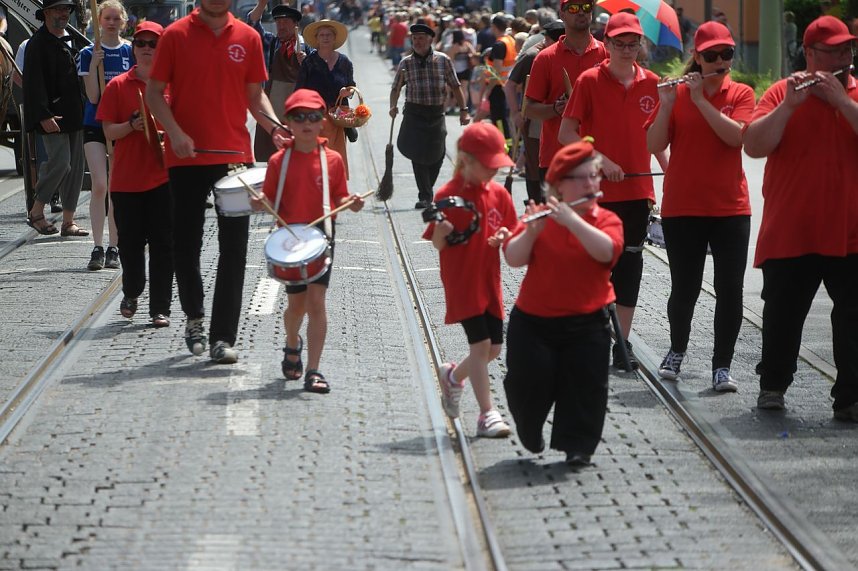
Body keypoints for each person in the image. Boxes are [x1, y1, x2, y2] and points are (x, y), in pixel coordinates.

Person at [146, 0, 284, 364]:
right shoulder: (176, 35)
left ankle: (223, 337)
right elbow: (154, 93)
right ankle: (194, 318)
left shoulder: (249, 37)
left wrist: (274, 126)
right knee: (186, 245)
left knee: (234, 249)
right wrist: (173, 132)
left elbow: (255, 97)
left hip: (234, 156)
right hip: (186, 155)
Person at [743, 15, 858, 420]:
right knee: (783, 314)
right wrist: (790, 107)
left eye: (848, 49)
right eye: (835, 51)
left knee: (853, 318)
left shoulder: (856, 92)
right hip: (792, 230)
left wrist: (843, 102)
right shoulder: (781, 92)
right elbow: (754, 145)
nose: (845, 56)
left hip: (849, 232)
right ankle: (773, 385)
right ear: (810, 54)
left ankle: (850, 399)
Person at [645, 21, 755, 391]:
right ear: (697, 57)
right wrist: (666, 107)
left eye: (727, 54)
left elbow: (735, 138)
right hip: (683, 207)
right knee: (685, 287)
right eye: (712, 56)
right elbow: (653, 143)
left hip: (730, 208)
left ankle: (721, 365)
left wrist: (700, 102)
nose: (721, 61)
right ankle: (677, 349)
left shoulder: (740, 92)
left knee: (730, 289)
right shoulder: (677, 94)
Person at [503, 141, 623, 468]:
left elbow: (607, 252)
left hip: (587, 323)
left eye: (594, 177)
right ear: (557, 186)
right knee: (528, 381)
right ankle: (529, 427)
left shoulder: (606, 219)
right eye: (581, 179)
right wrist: (531, 233)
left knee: (585, 387)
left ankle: (578, 446)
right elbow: (513, 257)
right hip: (534, 322)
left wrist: (572, 222)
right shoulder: (540, 215)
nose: (590, 184)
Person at [558, 12, 666, 370]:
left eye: (632, 44)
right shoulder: (589, 80)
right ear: (608, 44)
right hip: (596, 191)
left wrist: (673, 170)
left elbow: (661, 139)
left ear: (640, 45)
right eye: (619, 44)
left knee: (630, 267)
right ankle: (589, 335)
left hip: (637, 190)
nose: (626, 50)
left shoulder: (653, 83)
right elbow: (566, 133)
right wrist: (602, 160)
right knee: (594, 266)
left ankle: (621, 341)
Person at [251, 89, 365, 393]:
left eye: (314, 117)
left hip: (322, 236)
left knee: (317, 302)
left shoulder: (333, 159)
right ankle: (292, 342)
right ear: (288, 121)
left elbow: (339, 195)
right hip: (290, 239)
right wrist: (260, 200)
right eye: (299, 117)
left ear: (323, 122)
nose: (307, 123)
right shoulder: (279, 161)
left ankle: (314, 369)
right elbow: (270, 198)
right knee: (296, 305)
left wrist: (350, 201)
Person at [422, 122, 517, 438]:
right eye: (488, 166)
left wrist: (504, 235)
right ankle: (487, 414)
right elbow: (437, 243)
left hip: (490, 282)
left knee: (492, 350)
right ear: (467, 160)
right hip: (463, 282)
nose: (493, 172)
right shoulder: (447, 195)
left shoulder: (499, 194)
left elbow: (511, 230)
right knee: (481, 346)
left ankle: (452, 376)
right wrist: (440, 233)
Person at [97, 21, 173, 328]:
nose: (145, 48)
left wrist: (165, 133)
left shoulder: (172, 86)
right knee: (129, 244)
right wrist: (131, 126)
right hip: (127, 181)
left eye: (152, 43)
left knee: (163, 245)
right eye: (140, 43)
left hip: (163, 178)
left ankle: (160, 308)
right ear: (134, 48)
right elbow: (108, 132)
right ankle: (131, 291)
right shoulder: (117, 86)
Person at [23, 0, 87, 238]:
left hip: (75, 113)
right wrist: (43, 115)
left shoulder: (75, 40)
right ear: (47, 13)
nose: (63, 13)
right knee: (62, 163)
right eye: (58, 9)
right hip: (52, 116)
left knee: (76, 169)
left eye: (66, 9)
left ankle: (68, 222)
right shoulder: (37, 44)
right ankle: (37, 210)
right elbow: (32, 84)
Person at [524, 0, 607, 184]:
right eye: (574, 8)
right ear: (562, 15)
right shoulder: (545, 58)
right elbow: (529, 108)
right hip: (557, 157)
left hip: (600, 157)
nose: (581, 12)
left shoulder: (606, 54)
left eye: (586, 7)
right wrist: (555, 109)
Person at [390, 23, 470, 210]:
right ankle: (425, 195)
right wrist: (392, 106)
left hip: (435, 113)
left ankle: (428, 188)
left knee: (438, 154)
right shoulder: (405, 63)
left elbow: (456, 86)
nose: (417, 41)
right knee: (417, 155)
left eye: (421, 38)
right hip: (414, 113)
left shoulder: (443, 60)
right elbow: (395, 88)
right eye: (414, 38)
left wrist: (464, 110)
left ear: (430, 40)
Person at [78, 0, 133, 271]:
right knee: (100, 185)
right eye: (107, 18)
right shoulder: (89, 52)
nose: (111, 23)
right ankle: (97, 246)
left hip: (122, 126)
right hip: (95, 124)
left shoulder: (130, 51)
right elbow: (92, 96)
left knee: (116, 188)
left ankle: (115, 246)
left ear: (123, 21)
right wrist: (96, 63)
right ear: (99, 21)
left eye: (115, 18)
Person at [504, 19, 565, 204]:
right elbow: (510, 85)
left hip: (563, 119)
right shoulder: (533, 55)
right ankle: (535, 203)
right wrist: (515, 113)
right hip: (535, 119)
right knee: (535, 165)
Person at [247, 0, 309, 162]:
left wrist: (306, 63)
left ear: (296, 25)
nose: (281, 26)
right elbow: (252, 23)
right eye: (278, 22)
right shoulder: (271, 42)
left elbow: (317, 76)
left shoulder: (305, 47)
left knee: (295, 156)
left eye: (286, 22)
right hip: (271, 110)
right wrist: (261, 4)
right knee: (267, 154)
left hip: (296, 110)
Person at [296, 19, 355, 179]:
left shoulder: (344, 62)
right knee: (316, 159)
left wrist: (346, 92)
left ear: (334, 38)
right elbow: (299, 91)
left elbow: (352, 88)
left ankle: (336, 191)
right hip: (314, 119)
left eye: (329, 35)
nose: (325, 38)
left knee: (336, 157)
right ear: (317, 39)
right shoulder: (309, 62)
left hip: (337, 120)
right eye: (322, 35)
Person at [485, 14, 516, 140]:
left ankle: (503, 145)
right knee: (505, 118)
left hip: (498, 87)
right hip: (508, 85)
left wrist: (488, 90)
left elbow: (496, 71)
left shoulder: (499, 45)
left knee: (498, 119)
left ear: (494, 27)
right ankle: (508, 144)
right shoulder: (511, 41)